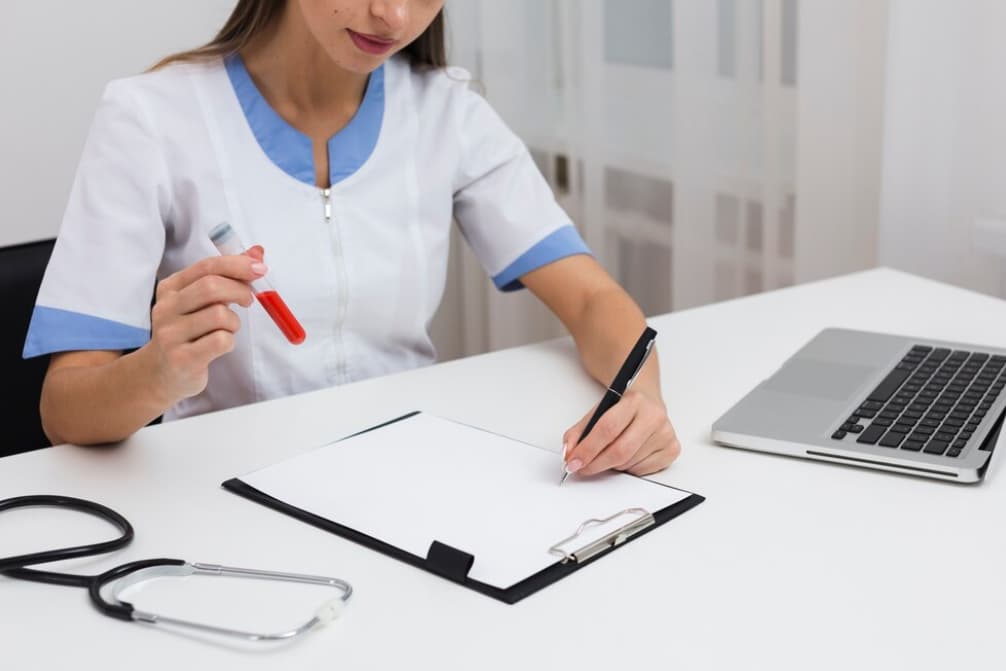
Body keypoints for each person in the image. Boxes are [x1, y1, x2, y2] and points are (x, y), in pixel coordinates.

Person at [23, 0, 681, 477]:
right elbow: (65, 408)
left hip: (401, 480)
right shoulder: (150, 119)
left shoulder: (446, 112)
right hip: (221, 496)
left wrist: (641, 396)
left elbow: (591, 299)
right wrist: (157, 373)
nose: (391, 15)